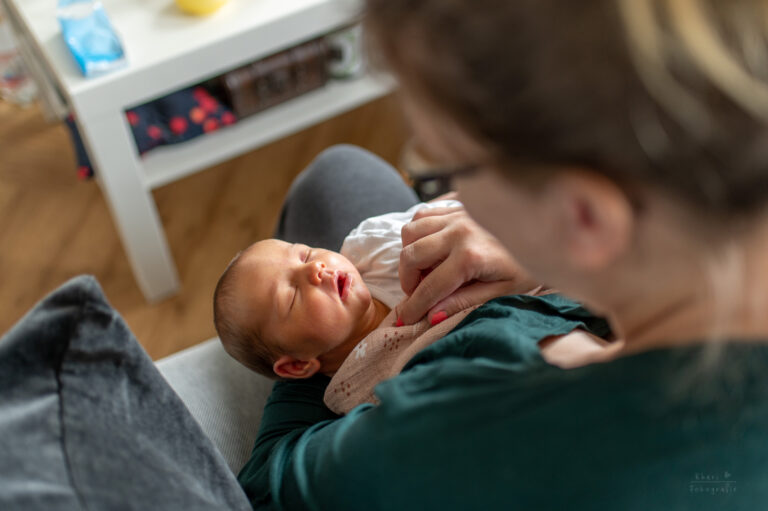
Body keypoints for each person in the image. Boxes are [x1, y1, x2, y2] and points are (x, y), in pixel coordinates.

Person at [238, 1, 768, 509]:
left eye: (444, 172)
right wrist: (542, 256)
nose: (442, 200)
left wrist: (323, 358)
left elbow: (270, 478)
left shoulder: (477, 423)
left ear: (583, 217)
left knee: (336, 177)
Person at [212, 199, 463, 380]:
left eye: (305, 254)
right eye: (292, 295)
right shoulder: (368, 385)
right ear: (297, 365)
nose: (315, 269)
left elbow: (449, 210)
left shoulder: (371, 248)